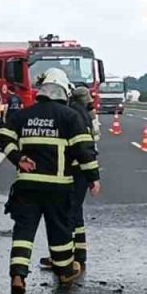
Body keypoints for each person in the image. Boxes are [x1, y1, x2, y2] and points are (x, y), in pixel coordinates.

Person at [0, 69, 100, 294]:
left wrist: (18, 158)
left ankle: (18, 275)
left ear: (41, 91)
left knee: (23, 230)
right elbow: (84, 149)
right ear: (63, 91)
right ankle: (64, 272)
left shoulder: (23, 115)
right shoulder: (69, 116)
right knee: (59, 230)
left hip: (27, 185)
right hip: (58, 186)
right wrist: (93, 178)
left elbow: (2, 136)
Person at [42, 84, 99, 271]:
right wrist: (92, 175)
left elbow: (77, 146)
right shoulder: (87, 116)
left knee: (68, 213)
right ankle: (80, 255)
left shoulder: (72, 114)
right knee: (77, 213)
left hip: (74, 168)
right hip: (84, 168)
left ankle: (64, 259)